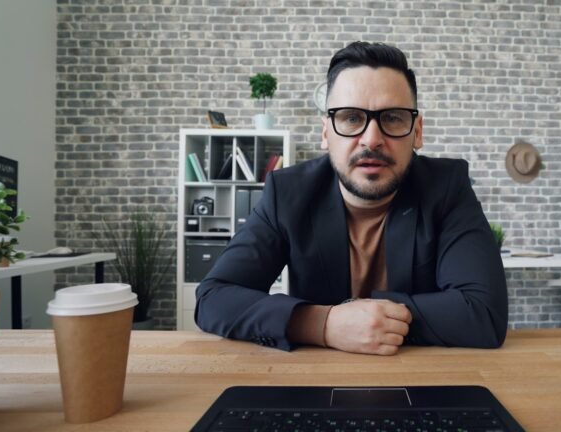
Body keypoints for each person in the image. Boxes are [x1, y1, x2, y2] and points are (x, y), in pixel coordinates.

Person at [196, 41, 508, 355]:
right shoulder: (287, 193)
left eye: (394, 118)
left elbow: (483, 314)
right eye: (350, 118)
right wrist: (323, 323)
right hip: (315, 381)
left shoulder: (447, 187)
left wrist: (368, 317)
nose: (372, 139)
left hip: (423, 382)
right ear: (326, 133)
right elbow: (214, 298)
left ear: (417, 131)